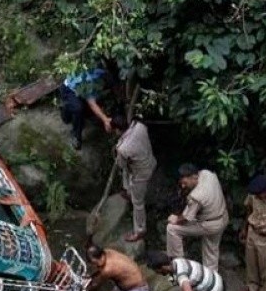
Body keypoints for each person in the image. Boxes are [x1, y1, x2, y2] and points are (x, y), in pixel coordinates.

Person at [166, 163, 228, 272]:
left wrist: (175, 218)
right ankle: (212, 279)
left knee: (172, 229)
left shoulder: (196, 196)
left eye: (185, 183)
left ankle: (179, 266)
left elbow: (186, 218)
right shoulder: (208, 174)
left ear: (194, 177)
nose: (183, 186)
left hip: (209, 224)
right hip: (222, 217)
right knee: (211, 250)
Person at [110, 114, 157, 242]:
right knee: (128, 170)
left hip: (141, 174)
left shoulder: (123, 149)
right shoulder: (140, 126)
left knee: (138, 203)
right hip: (150, 161)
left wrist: (116, 150)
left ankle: (140, 230)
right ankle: (128, 191)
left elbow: (121, 164)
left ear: (118, 130)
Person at [86, 245, 150, 291]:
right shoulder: (108, 251)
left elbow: (96, 285)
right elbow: (98, 270)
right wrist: (91, 276)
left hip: (136, 289)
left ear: (101, 256)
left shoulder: (108, 270)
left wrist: (86, 290)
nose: (94, 265)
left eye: (95, 263)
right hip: (123, 284)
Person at [58, 66, 115, 150]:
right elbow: (92, 104)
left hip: (80, 88)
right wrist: (105, 120)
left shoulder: (101, 73)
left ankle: (73, 112)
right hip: (69, 89)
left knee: (87, 108)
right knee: (78, 109)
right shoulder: (91, 82)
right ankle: (76, 136)